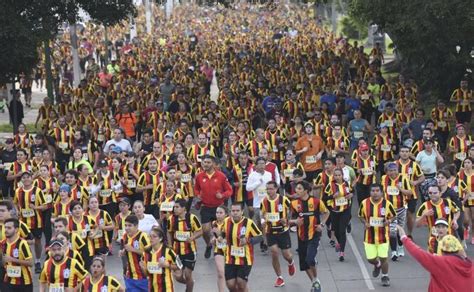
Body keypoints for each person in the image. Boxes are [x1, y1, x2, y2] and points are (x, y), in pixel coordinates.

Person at [397, 226, 473, 292]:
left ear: (442, 250)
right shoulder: (470, 265)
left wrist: (404, 238)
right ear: (458, 248)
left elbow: (419, 253)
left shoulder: (442, 263)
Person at [290, 181, 329, 291]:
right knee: (305, 264)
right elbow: (287, 220)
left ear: (306, 190)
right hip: (301, 236)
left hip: (314, 235)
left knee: (310, 259)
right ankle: (314, 282)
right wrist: (294, 222)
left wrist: (322, 224)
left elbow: (326, 212)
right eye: (296, 188)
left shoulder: (316, 201)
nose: (296, 191)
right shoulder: (294, 203)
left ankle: (316, 279)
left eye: (299, 188)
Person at [216, 202, 263, 292]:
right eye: (233, 210)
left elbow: (260, 237)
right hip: (230, 259)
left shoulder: (249, 223)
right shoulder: (226, 221)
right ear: (230, 212)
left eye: (237, 210)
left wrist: (248, 241)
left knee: (241, 283)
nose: (235, 212)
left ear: (242, 211)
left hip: (245, 259)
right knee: (230, 285)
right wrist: (220, 237)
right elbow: (223, 232)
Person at [194, 155, 232, 259]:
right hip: (205, 207)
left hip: (218, 207)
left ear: (213, 164)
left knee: (220, 230)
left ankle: (222, 250)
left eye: (208, 162)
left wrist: (222, 196)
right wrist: (198, 195)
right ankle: (209, 245)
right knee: (206, 230)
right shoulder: (199, 176)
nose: (205, 164)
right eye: (204, 162)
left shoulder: (221, 176)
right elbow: (196, 189)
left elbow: (229, 190)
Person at [358, 184, 396, 287]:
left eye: (377, 190)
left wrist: (388, 221)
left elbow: (393, 216)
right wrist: (365, 222)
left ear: (381, 192)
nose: (375, 193)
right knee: (370, 259)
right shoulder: (364, 203)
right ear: (370, 192)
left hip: (383, 237)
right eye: (373, 191)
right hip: (369, 237)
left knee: (384, 258)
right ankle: (376, 264)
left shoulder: (387, 204)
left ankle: (385, 276)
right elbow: (360, 216)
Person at [261, 181, 295, 287]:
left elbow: (291, 210)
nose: (269, 191)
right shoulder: (265, 200)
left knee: (287, 255)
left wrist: (287, 219)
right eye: (267, 189)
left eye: (271, 189)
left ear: (276, 189)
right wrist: (263, 220)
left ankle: (291, 262)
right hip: (270, 231)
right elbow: (263, 214)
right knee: (274, 253)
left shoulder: (283, 199)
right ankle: (279, 277)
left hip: (282, 231)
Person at [166, 199, 202, 292]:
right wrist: (170, 244)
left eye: (177, 207)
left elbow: (200, 231)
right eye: (174, 207)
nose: (175, 209)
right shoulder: (171, 219)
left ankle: (188, 289)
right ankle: (190, 283)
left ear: (184, 208)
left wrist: (193, 237)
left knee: (187, 274)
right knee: (178, 276)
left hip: (190, 251)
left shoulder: (192, 218)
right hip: (176, 251)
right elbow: (169, 232)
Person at [322, 168, 353, 261]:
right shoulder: (330, 185)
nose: (338, 177)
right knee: (336, 231)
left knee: (342, 231)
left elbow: (352, 191)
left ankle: (342, 252)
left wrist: (351, 195)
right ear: (333, 176)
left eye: (339, 175)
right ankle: (339, 243)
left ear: (342, 175)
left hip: (345, 210)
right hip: (334, 211)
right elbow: (324, 198)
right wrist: (332, 196)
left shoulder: (347, 183)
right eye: (336, 175)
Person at [141, 226, 181, 292]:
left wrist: (168, 265)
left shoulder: (169, 251)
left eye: (154, 236)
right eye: (150, 236)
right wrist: (143, 269)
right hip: (152, 288)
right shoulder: (146, 252)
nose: (151, 239)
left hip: (166, 288)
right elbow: (147, 274)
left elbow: (180, 266)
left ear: (160, 238)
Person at [0, 218, 34, 292]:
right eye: (5, 227)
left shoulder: (23, 243)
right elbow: (3, 262)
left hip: (24, 282)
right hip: (8, 281)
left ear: (16, 230)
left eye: (9, 228)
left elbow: (31, 263)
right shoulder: (2, 243)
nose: (6, 230)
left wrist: (13, 260)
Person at [119, 214, 151, 292]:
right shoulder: (124, 236)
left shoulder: (143, 236)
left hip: (143, 277)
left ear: (136, 226)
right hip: (130, 276)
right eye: (125, 225)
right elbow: (126, 249)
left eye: (130, 225)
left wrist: (133, 249)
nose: (127, 228)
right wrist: (123, 252)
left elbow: (150, 254)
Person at [210, 205, 228, 292]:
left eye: (221, 213)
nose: (218, 214)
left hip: (230, 250)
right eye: (217, 212)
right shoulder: (214, 223)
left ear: (226, 214)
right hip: (219, 249)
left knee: (231, 276)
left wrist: (220, 234)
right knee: (220, 273)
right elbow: (215, 237)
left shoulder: (229, 223)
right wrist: (213, 240)